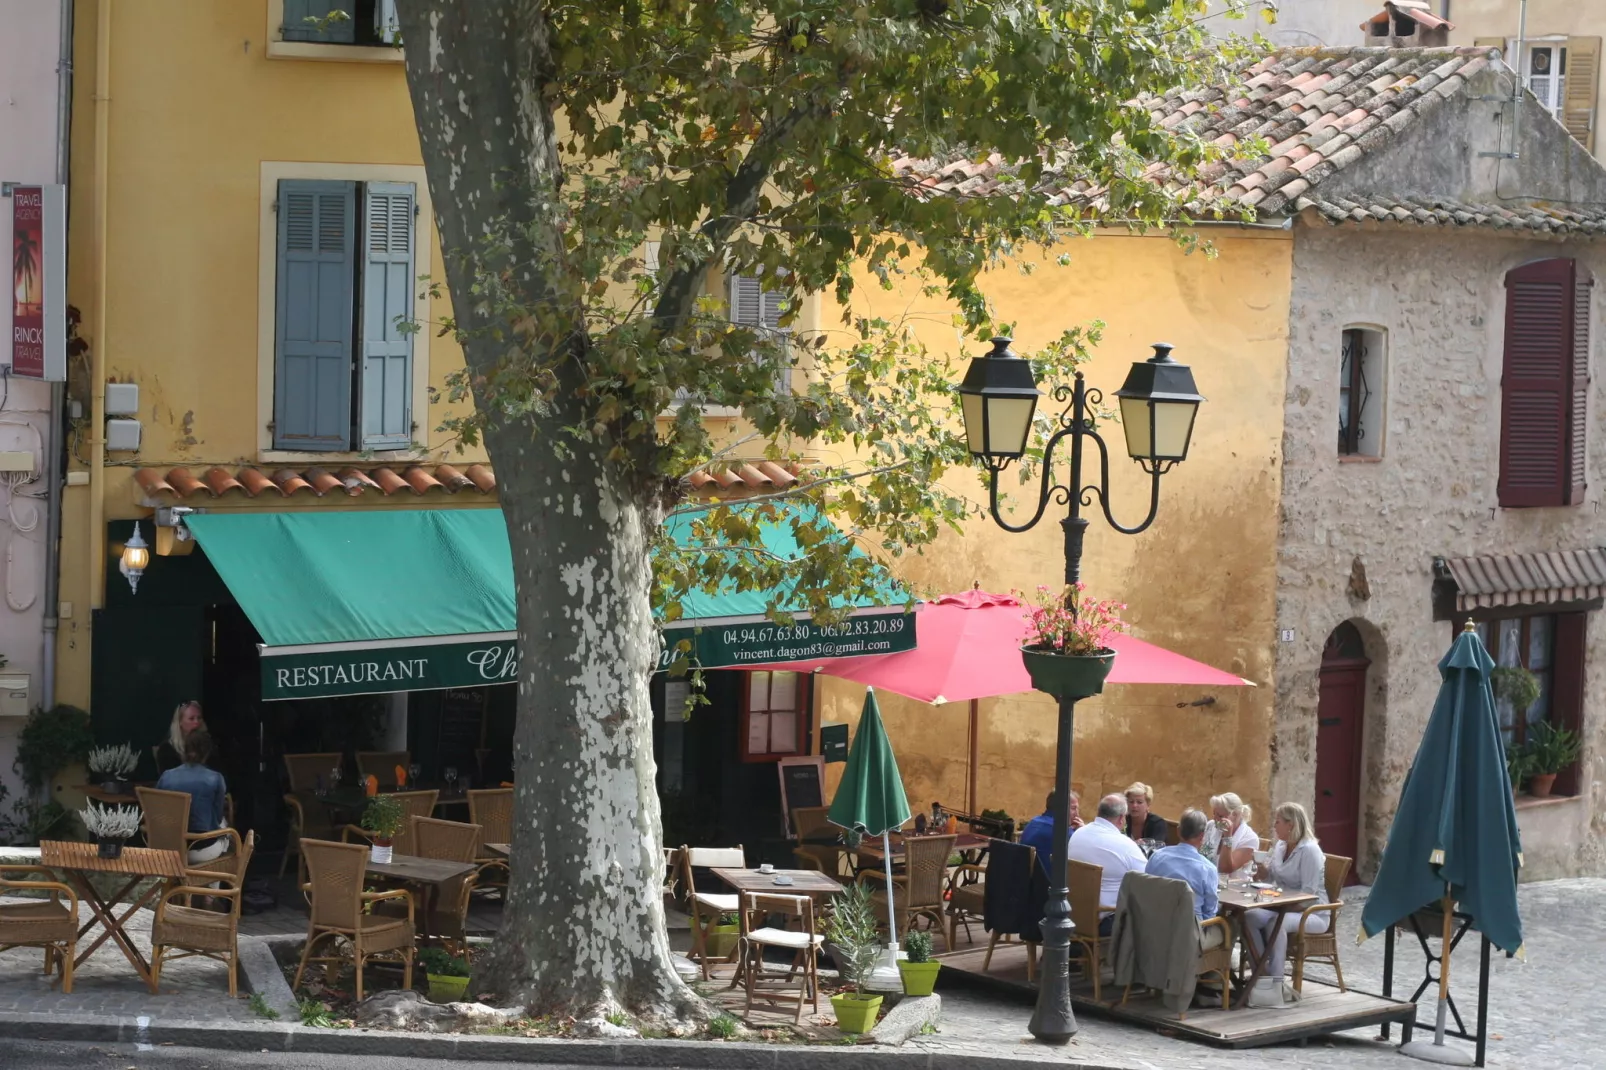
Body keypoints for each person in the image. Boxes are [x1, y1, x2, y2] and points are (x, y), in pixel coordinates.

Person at [1243, 802, 1328, 1008]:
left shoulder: (1309, 850)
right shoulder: (1280, 845)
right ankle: (1261, 975)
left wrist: (1279, 907)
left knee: (1276, 924)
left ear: (1290, 824)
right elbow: (1270, 876)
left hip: (1312, 913)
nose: (1274, 825)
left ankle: (1276, 984)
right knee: (1248, 917)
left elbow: (1309, 895)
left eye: (1278, 822)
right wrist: (1261, 872)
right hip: (1281, 906)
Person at [1066, 794, 1148, 935]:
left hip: (1073, 914)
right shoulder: (1125, 845)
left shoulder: (1078, 834)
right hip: (1104, 920)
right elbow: (1149, 879)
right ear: (1122, 818)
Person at [154, 728, 230, 865]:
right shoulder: (216, 778)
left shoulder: (166, 776)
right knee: (226, 830)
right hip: (203, 848)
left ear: (184, 749)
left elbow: (158, 811)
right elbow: (218, 817)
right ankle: (213, 883)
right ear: (207, 752)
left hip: (170, 849)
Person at [1144, 809, 1221, 936]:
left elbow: (1147, 890)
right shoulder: (1208, 868)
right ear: (1202, 836)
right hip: (1189, 935)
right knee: (1232, 925)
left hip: (1153, 928)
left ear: (1178, 830)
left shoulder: (1156, 856)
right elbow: (1210, 912)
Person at [1019, 790, 1082, 878]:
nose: (1077, 814)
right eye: (1073, 808)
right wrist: (1081, 832)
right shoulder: (1063, 833)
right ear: (1061, 808)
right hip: (1048, 887)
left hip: (1024, 882)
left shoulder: (1034, 822)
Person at [1207, 792, 1258, 881]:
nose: (1215, 819)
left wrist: (1227, 837)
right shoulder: (1211, 826)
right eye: (1214, 813)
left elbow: (1225, 869)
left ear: (1235, 815)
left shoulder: (1250, 839)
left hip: (1234, 890)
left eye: (1219, 815)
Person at [156, 700, 207, 773]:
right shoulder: (167, 749)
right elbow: (168, 779)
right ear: (180, 722)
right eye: (191, 719)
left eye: (199, 718)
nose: (197, 722)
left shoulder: (209, 747)